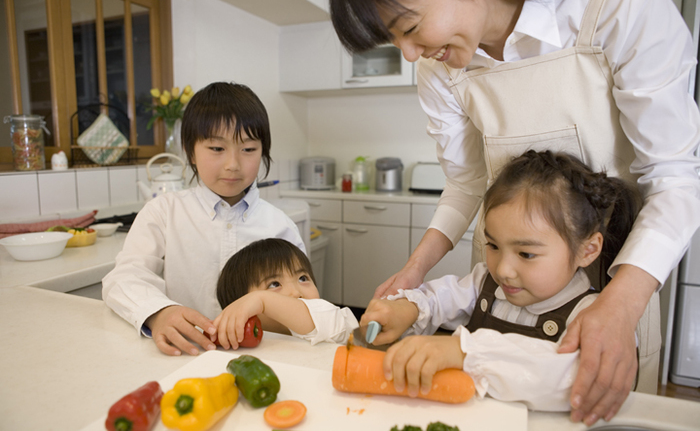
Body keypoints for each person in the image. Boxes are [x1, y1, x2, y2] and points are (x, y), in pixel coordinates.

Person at [327, 0, 700, 425]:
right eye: (394, 39)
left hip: (621, 282)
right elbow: (466, 180)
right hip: (508, 302)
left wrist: (621, 302)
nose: (409, 54)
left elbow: (674, 176)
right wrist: (415, 272)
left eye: (410, 26)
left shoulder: (617, 2)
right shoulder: (438, 66)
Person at [361, 150, 642, 411]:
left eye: (526, 253)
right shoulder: (485, 282)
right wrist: (407, 309)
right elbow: (439, 298)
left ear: (587, 250)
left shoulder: (592, 314)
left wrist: (463, 352)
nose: (504, 269)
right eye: (493, 246)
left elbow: (566, 374)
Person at [102, 82, 306, 357]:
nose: (232, 164)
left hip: (266, 356)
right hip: (185, 354)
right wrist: (159, 313)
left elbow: (309, 305)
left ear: (263, 151)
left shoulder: (280, 226)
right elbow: (124, 277)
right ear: (190, 151)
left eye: (248, 149)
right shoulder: (163, 212)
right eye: (216, 148)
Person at [215, 238, 359, 347]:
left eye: (303, 278)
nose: (296, 293)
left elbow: (327, 321)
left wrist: (262, 299)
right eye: (274, 284)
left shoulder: (332, 323)